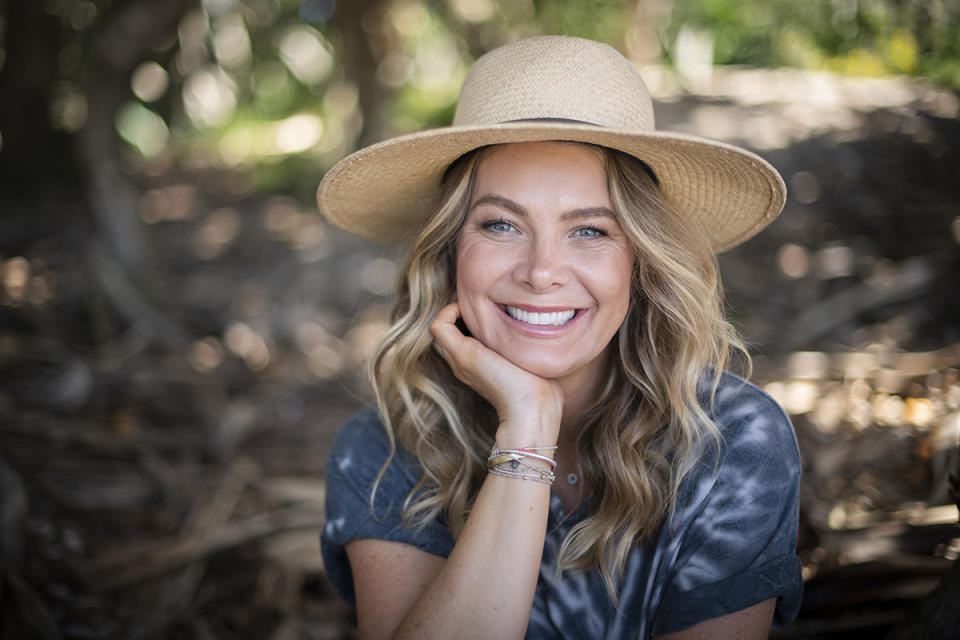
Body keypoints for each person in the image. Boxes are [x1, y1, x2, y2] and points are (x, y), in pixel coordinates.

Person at [318, 35, 802, 639]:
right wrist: (528, 425)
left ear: (642, 261)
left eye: (591, 232)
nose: (541, 271)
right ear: (449, 253)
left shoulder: (730, 440)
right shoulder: (385, 448)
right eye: (500, 224)